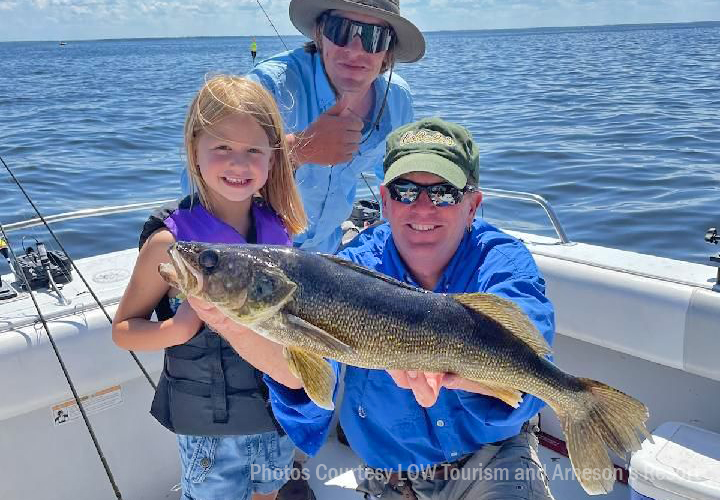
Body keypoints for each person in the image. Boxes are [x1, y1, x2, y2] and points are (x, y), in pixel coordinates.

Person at [265, 117, 557, 500]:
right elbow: (317, 391)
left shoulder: (502, 262)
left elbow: (530, 359)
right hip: (390, 477)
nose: (422, 208)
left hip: (492, 459)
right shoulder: (351, 269)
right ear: (384, 201)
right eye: (405, 191)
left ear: (473, 205)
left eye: (443, 193)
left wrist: (470, 378)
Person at [112, 75, 307, 500]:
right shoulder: (171, 244)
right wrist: (178, 329)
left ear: (272, 160)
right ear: (194, 153)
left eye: (253, 150)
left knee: (269, 493)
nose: (238, 163)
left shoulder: (279, 233)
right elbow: (123, 328)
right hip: (209, 428)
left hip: (274, 414)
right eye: (222, 147)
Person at [181, 0, 425, 254]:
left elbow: (398, 180)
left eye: (373, 37)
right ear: (320, 33)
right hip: (255, 255)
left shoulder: (397, 98)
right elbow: (193, 187)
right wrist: (299, 149)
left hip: (328, 252)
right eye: (340, 30)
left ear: (388, 50)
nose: (354, 49)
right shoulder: (268, 87)